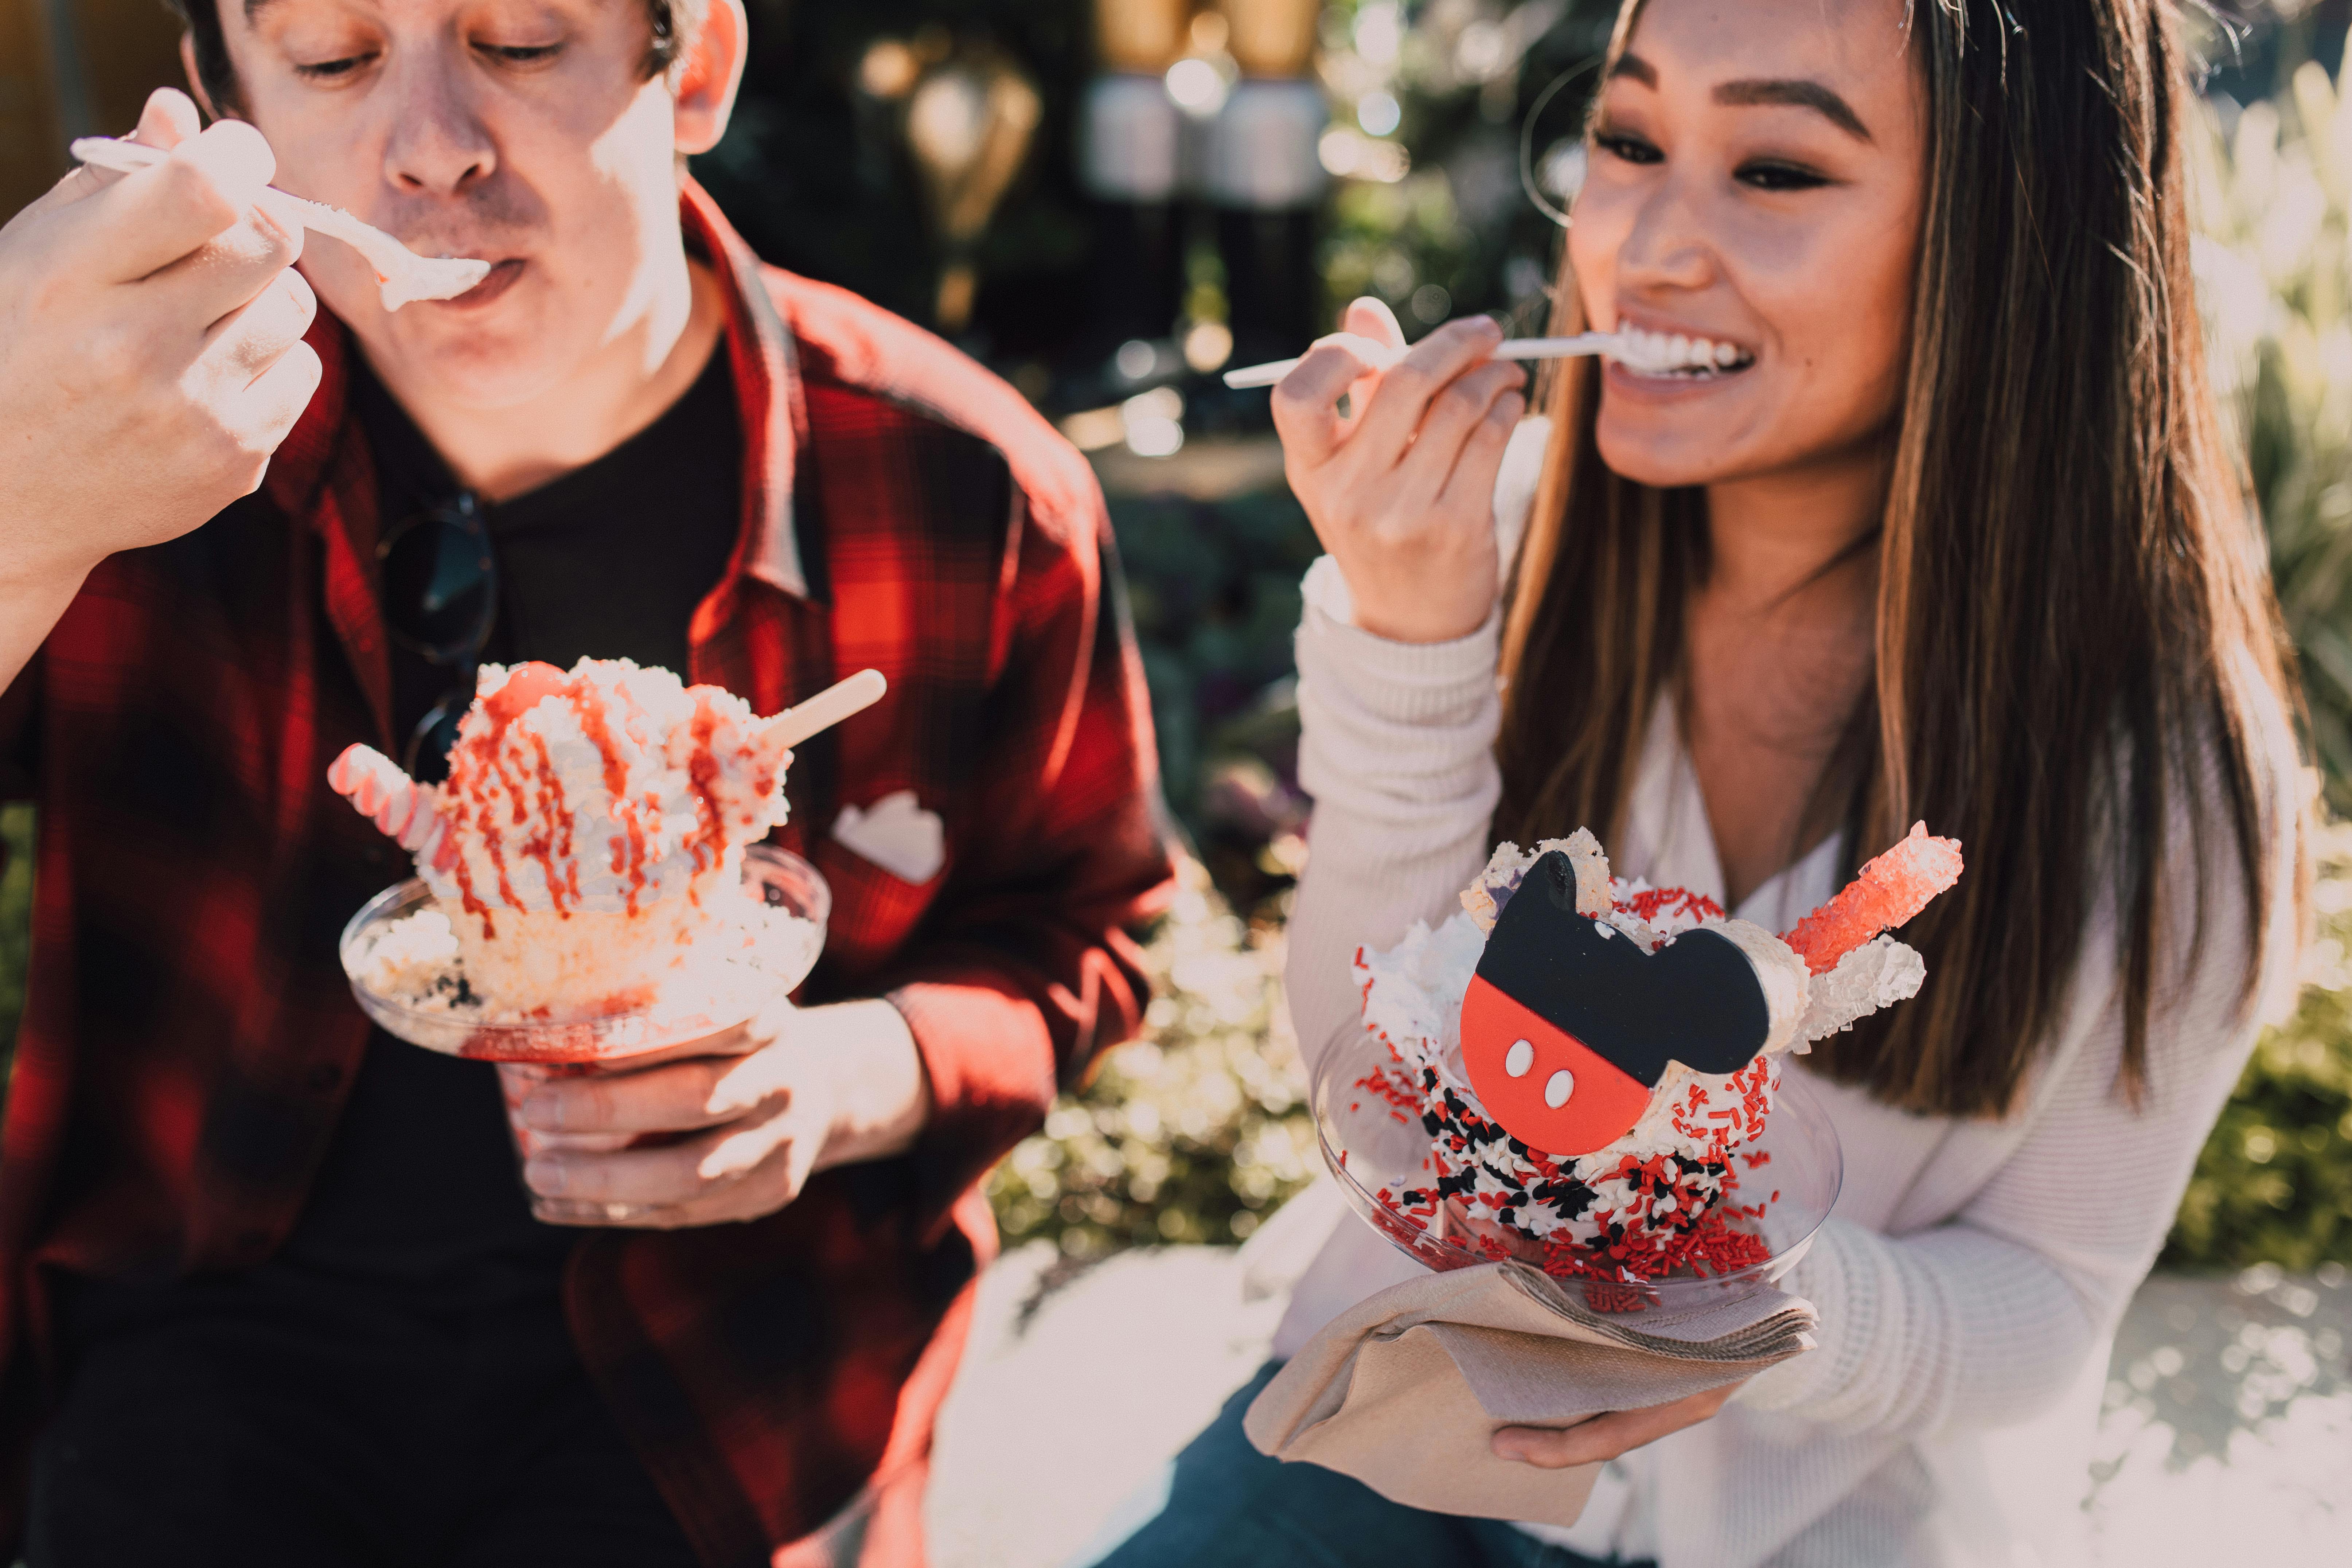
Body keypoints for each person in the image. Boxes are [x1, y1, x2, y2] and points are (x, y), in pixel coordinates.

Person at [1087, 1, 2310, 1565]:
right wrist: (1412, 632)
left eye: (1779, 169)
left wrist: (1729, 1296)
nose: (1645, 244)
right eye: (1628, 139)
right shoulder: (1486, 547)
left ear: (2013, 242)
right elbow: (1371, 1093)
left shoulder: (2173, 788)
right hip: (1395, 1432)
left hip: (1825, 1525)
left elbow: (2048, 1303)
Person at [0, 0, 1173, 1563]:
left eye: (524, 41)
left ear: (691, 68)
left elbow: (1083, 941)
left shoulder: (970, 492)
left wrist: (836, 1079)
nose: (430, 148)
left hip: (734, 1386)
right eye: (336, 62)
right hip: (200, 1348)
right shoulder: (122, 450)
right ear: (223, 107)